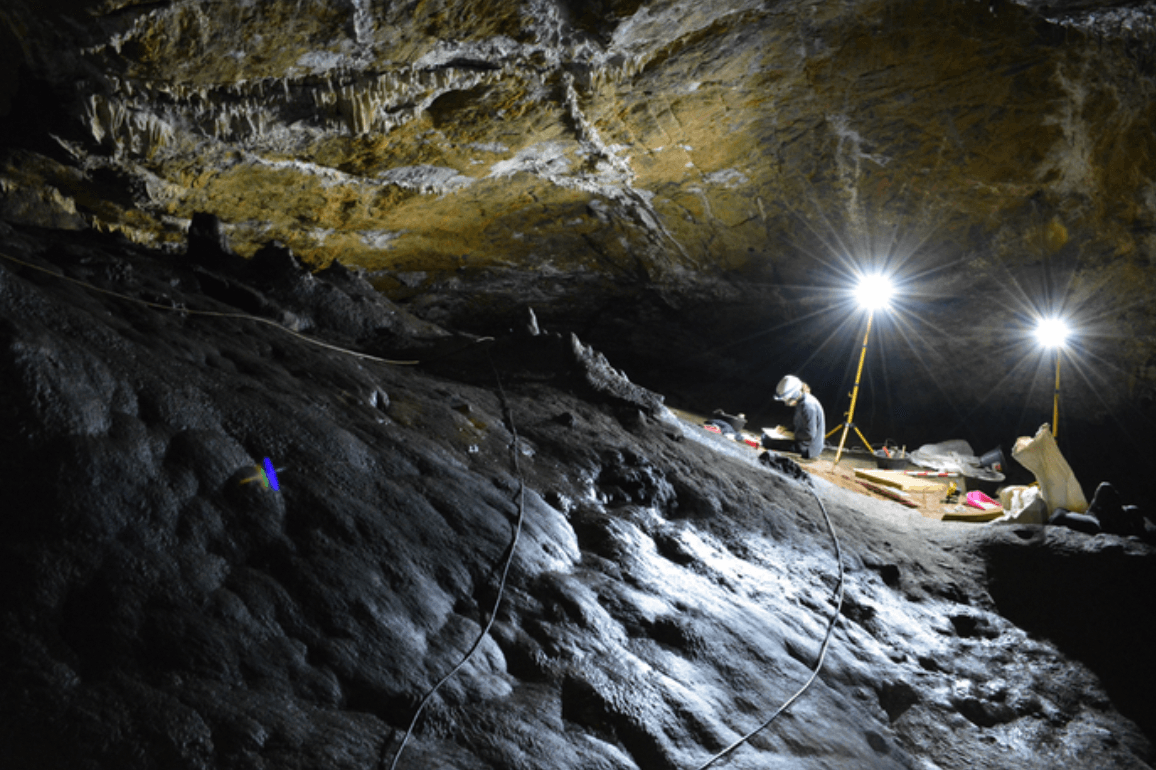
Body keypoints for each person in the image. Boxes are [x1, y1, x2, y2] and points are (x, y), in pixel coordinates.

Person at [765, 375, 826, 459]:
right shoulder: (802, 401)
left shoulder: (808, 406)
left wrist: (790, 434)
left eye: (787, 400)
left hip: (808, 449)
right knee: (765, 437)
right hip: (803, 443)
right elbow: (800, 424)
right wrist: (786, 429)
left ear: (795, 393)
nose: (786, 403)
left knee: (766, 441)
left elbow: (809, 434)